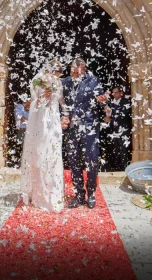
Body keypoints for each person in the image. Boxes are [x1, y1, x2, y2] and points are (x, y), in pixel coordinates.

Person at [61, 58, 109, 209]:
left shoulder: (93, 80)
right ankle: (79, 195)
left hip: (89, 127)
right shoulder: (65, 82)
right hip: (71, 129)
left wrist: (103, 102)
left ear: (85, 69)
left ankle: (91, 192)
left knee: (91, 161)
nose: (74, 74)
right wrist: (63, 116)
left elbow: (102, 100)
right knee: (74, 162)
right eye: (72, 71)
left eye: (77, 71)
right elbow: (59, 103)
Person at [20, 60, 65, 213]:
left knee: (53, 155)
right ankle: (39, 195)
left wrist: (66, 115)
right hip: (40, 122)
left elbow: (61, 101)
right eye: (57, 71)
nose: (57, 75)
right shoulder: (36, 80)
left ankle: (54, 194)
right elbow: (33, 104)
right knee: (40, 154)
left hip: (53, 122)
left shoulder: (58, 83)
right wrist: (42, 98)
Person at [104, 86, 132, 171]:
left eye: (116, 92)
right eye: (113, 93)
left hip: (123, 130)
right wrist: (107, 118)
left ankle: (125, 169)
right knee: (115, 150)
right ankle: (116, 168)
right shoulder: (112, 103)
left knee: (123, 150)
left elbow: (123, 114)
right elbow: (108, 114)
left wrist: (111, 116)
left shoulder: (126, 102)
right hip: (114, 131)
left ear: (121, 93)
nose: (114, 94)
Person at [13, 97, 30, 166]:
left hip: (29, 130)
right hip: (22, 130)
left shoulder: (30, 109)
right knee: (21, 146)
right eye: (29, 103)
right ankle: (19, 163)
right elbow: (21, 118)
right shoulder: (19, 107)